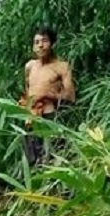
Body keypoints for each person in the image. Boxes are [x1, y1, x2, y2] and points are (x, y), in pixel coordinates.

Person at [20, 26, 75, 165]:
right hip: (31, 116)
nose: (40, 45)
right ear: (33, 47)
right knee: (33, 159)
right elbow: (27, 89)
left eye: (44, 41)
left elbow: (70, 97)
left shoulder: (62, 66)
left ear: (52, 44)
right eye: (36, 42)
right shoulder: (30, 66)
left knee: (53, 155)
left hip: (51, 116)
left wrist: (48, 94)